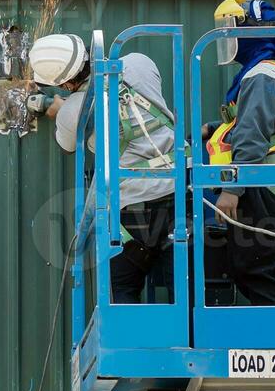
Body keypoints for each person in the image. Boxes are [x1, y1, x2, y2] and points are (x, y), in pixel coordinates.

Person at [28, 33, 176, 304]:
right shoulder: (140, 61)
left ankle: (128, 344)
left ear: (67, 82)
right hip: (180, 194)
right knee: (183, 289)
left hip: (133, 210)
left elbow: (68, 146)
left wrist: (60, 109)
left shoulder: (73, 110)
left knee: (122, 290)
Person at [205, 0, 275, 306]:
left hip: (262, 183)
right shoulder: (263, 70)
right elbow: (254, 122)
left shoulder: (261, 74)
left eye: (234, 30)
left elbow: (252, 133)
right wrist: (211, 129)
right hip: (262, 181)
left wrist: (232, 190)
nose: (229, 38)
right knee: (250, 267)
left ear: (253, 31)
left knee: (260, 270)